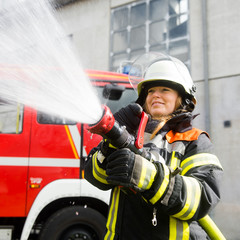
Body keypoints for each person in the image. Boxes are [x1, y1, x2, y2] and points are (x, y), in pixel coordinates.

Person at [85, 55, 223, 240]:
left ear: (182, 98)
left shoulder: (194, 140)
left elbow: (202, 197)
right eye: (150, 91)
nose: (155, 95)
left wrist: (148, 177)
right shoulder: (132, 134)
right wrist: (110, 142)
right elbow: (96, 177)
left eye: (165, 89)